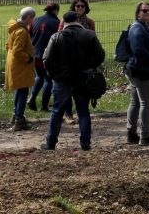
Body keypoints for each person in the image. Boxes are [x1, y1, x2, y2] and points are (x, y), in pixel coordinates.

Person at [39, 10, 105, 151]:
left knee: (57, 111)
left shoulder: (56, 37)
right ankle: (85, 144)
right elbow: (100, 55)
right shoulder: (89, 35)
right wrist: (90, 66)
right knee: (83, 111)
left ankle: (51, 143)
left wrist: (53, 74)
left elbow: (47, 59)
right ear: (78, 20)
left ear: (63, 22)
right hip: (83, 78)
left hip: (62, 79)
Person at [125, 1, 149, 145]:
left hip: (136, 69)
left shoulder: (143, 27)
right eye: (144, 11)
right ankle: (145, 135)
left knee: (135, 102)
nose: (148, 13)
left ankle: (131, 133)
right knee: (146, 103)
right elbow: (138, 50)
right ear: (138, 13)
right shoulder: (137, 29)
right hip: (142, 70)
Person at [5, 7, 36, 132]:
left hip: (13, 62)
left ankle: (15, 116)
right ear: (28, 17)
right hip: (20, 65)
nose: (32, 21)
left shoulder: (14, 28)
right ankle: (19, 120)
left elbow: (8, 46)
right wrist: (28, 58)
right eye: (32, 18)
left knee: (20, 90)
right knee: (23, 91)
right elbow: (18, 50)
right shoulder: (22, 31)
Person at [27, 2, 60, 112]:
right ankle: (44, 106)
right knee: (48, 80)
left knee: (39, 77)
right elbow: (57, 40)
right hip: (47, 56)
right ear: (55, 10)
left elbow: (29, 35)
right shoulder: (56, 23)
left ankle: (32, 97)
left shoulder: (35, 20)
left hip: (34, 54)